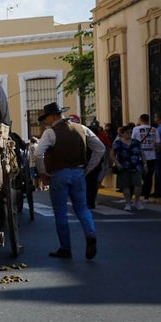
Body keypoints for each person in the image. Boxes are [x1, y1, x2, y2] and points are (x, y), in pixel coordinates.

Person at [33, 101, 105, 259]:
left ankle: (65, 248)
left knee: (61, 213)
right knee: (82, 208)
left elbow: (38, 154)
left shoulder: (50, 133)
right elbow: (100, 148)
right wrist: (88, 168)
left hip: (59, 174)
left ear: (52, 116)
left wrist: (43, 172)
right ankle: (90, 233)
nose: (47, 121)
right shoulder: (82, 128)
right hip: (78, 173)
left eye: (47, 118)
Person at [110, 124, 145, 211]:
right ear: (122, 133)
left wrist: (145, 164)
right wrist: (117, 163)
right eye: (127, 132)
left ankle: (137, 201)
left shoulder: (136, 142)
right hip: (123, 167)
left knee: (138, 184)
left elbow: (142, 153)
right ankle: (128, 203)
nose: (129, 134)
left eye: (130, 132)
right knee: (126, 186)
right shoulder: (118, 143)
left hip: (136, 166)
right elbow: (112, 154)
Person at [85, 120, 112, 209]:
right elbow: (106, 148)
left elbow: (105, 148)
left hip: (93, 164)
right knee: (93, 183)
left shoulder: (89, 140)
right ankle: (91, 200)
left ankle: (90, 200)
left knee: (91, 183)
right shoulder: (99, 137)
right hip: (97, 164)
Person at [131, 113, 158, 198]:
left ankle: (137, 194)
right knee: (149, 177)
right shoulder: (154, 129)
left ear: (140, 120)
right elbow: (158, 143)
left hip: (139, 156)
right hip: (151, 156)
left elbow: (132, 141)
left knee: (138, 176)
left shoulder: (136, 129)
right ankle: (146, 196)